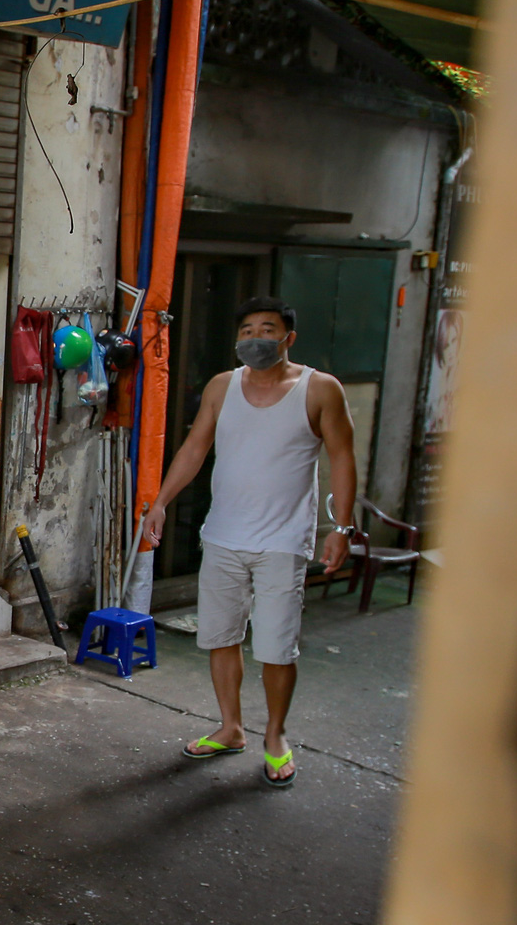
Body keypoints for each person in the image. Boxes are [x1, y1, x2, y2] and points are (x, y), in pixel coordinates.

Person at [141, 297, 356, 788]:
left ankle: (275, 737)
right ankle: (231, 727)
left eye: (267, 328)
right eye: (247, 330)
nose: (255, 338)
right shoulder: (223, 386)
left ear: (288, 338)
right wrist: (160, 501)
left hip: (284, 540)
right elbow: (196, 446)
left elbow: (343, 458)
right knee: (221, 637)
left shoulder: (319, 389)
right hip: (223, 536)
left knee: (278, 648)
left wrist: (341, 529)